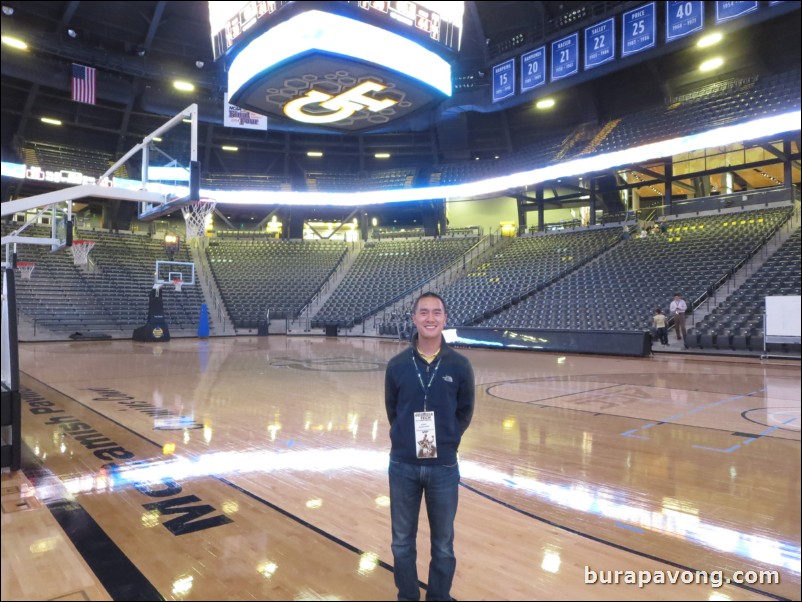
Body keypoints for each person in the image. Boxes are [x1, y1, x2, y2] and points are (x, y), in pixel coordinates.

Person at [385, 292, 475, 601]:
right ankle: (407, 596)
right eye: (423, 312)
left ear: (445, 319)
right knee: (401, 542)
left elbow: (465, 410)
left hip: (444, 467)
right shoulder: (397, 365)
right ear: (414, 318)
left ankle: (438, 597)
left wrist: (449, 438)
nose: (430, 318)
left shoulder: (460, 365)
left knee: (443, 544)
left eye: (437, 312)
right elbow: (392, 409)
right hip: (403, 465)